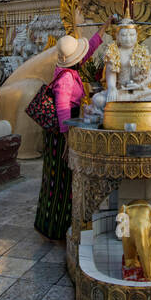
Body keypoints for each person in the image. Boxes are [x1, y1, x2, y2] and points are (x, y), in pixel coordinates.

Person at [34, 23, 108, 240]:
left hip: (65, 129)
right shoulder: (66, 79)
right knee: (61, 180)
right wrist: (67, 139)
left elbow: (90, 48)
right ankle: (57, 227)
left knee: (64, 178)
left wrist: (104, 27)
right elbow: (62, 110)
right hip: (60, 134)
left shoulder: (69, 69)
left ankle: (61, 222)